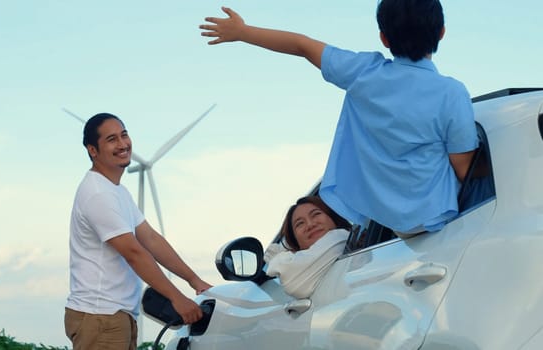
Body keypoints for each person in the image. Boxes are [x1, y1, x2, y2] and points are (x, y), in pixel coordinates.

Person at [200, 0, 479, 236]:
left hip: (386, 223)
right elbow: (464, 168)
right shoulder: (452, 93)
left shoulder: (364, 72)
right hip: (438, 218)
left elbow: (302, 45)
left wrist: (243, 31)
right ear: (442, 32)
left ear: (384, 38)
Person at [64, 113, 212, 350]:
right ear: (93, 150)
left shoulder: (117, 192)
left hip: (115, 315)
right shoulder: (98, 193)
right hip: (100, 316)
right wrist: (178, 299)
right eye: (112, 139)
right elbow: (134, 253)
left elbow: (151, 239)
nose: (122, 144)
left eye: (124, 135)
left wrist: (194, 280)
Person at [264, 195, 352, 298]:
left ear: (333, 217)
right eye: (300, 224)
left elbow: (291, 279)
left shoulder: (340, 238)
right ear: (295, 241)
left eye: (316, 214)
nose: (310, 225)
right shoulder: (310, 261)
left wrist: (277, 258)